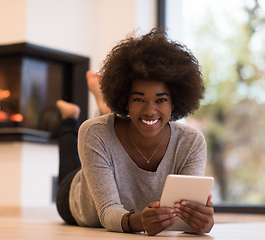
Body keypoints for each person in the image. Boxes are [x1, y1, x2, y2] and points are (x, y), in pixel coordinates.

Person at [55, 28, 214, 236]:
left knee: (112, 127)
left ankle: (103, 108)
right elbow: (106, 212)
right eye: (138, 99)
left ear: (175, 101)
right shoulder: (94, 132)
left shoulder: (191, 142)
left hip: (117, 133)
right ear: (125, 100)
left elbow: (184, 217)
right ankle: (69, 119)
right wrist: (139, 221)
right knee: (73, 159)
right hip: (77, 202)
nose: (150, 110)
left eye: (161, 100)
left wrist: (201, 222)